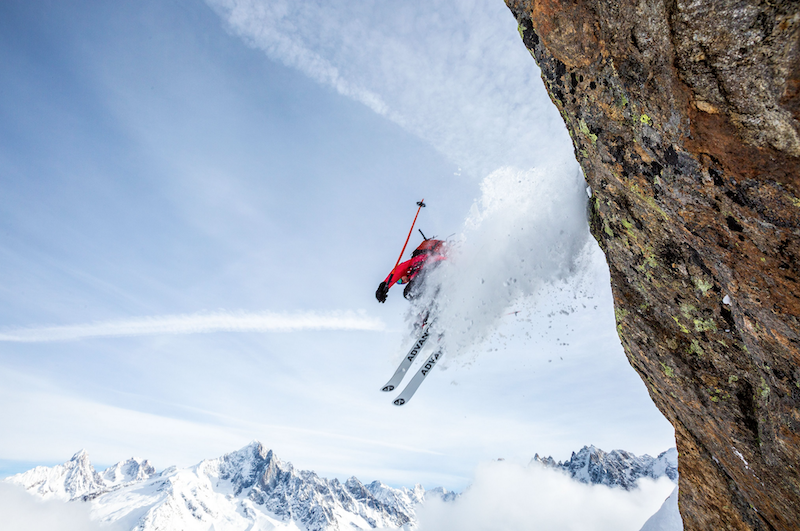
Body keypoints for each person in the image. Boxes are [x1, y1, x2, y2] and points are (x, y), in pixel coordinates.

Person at [376, 238, 446, 303]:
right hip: (442, 267)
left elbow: (399, 269)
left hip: (434, 263)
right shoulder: (414, 274)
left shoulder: (413, 263)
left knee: (408, 293)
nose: (403, 282)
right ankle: (435, 305)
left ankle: (426, 307)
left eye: (400, 280)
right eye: (401, 283)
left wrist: (385, 285)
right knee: (432, 288)